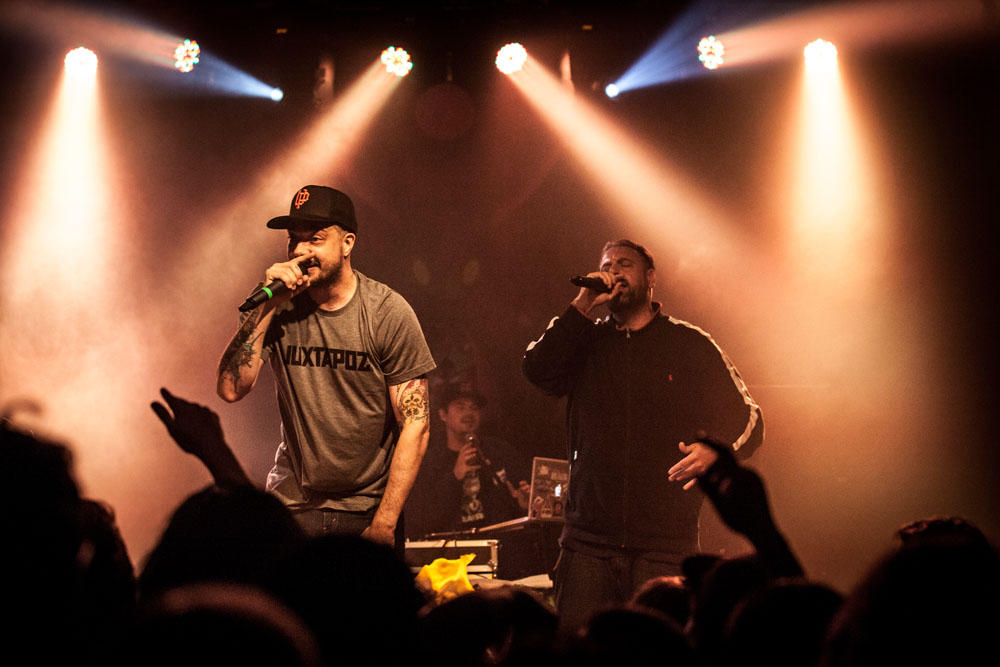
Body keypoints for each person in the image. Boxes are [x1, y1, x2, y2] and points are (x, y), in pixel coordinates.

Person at [522, 238, 763, 630]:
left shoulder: (689, 343)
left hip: (664, 545)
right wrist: (582, 304)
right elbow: (536, 370)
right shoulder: (584, 338)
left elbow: (749, 418)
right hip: (587, 544)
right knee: (580, 650)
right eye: (606, 265)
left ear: (651, 277)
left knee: (661, 651)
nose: (613, 272)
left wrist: (715, 452)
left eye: (624, 264)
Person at [217, 185, 436, 549]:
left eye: (315, 239)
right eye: (294, 240)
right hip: (292, 505)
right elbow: (230, 388)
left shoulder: (386, 312)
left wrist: (385, 524)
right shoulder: (275, 307)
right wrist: (267, 306)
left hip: (367, 510)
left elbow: (416, 424)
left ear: (347, 243)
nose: (300, 251)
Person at [405, 381, 529, 539]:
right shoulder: (429, 463)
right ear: (443, 415)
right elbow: (421, 519)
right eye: (460, 407)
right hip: (452, 549)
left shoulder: (500, 452)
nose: (469, 413)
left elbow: (519, 506)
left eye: (474, 408)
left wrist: (523, 506)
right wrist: (455, 477)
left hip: (501, 546)